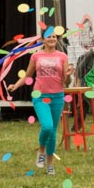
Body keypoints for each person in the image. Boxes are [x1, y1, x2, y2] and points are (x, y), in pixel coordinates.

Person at [7, 30, 73, 175]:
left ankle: (50, 164)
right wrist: (16, 85)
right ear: (43, 39)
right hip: (40, 96)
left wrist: (68, 76)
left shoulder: (62, 56)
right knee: (47, 126)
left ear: (57, 39)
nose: (52, 38)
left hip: (57, 96)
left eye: (54, 37)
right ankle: (41, 150)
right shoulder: (36, 56)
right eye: (49, 36)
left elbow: (66, 80)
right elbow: (27, 75)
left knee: (54, 130)